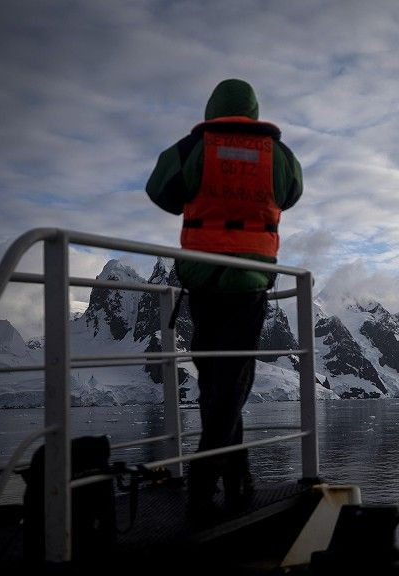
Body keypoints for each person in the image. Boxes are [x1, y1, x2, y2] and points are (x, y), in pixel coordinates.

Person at [145, 79, 302, 521]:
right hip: (250, 281)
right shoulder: (280, 156)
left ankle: (214, 481)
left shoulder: (193, 148)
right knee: (229, 383)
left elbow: (160, 191)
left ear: (213, 108)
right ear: (253, 111)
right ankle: (228, 481)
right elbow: (291, 194)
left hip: (204, 279)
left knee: (216, 381)